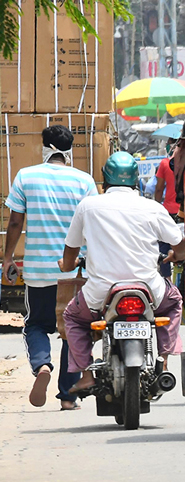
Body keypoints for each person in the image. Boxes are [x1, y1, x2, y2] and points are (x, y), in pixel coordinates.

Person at [59, 152, 185, 394]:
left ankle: (85, 374)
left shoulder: (88, 206)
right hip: (149, 289)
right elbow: (178, 245)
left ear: (104, 181)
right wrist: (175, 256)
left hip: (100, 293)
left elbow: (70, 249)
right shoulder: (152, 208)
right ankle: (164, 362)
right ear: (135, 181)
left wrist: (67, 265)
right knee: (174, 302)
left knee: (72, 318)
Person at [2, 125, 97, 409]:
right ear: (69, 152)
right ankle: (68, 397)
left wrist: (8, 259)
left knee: (35, 325)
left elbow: (16, 222)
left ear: (45, 148)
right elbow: (92, 226)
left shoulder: (26, 176)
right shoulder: (84, 181)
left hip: (38, 270)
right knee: (73, 329)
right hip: (74, 272)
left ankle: (42, 365)